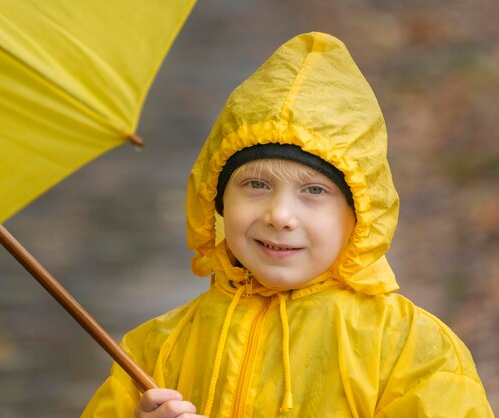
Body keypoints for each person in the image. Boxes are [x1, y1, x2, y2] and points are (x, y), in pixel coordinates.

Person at [82, 32, 494, 417]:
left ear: (361, 214)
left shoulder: (412, 352)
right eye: (256, 184)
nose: (279, 216)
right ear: (217, 200)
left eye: (314, 191)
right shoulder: (155, 350)